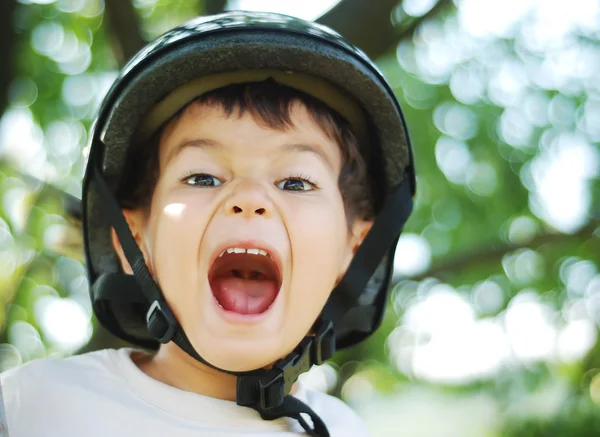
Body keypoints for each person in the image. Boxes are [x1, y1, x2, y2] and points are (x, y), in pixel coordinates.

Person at [0, 11, 415, 437]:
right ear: (134, 242)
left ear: (354, 247)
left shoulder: (343, 429)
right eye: (202, 178)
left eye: (295, 182)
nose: (249, 199)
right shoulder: (30, 407)